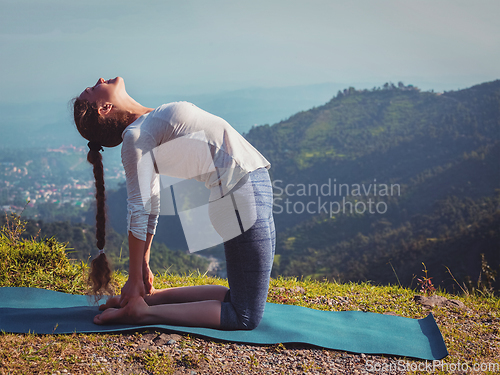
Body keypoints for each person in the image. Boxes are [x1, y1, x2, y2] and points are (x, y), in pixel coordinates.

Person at [73, 77, 275, 330]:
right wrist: (134, 277)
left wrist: (144, 266)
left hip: (249, 189)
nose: (100, 80)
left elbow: (152, 205)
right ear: (104, 108)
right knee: (244, 316)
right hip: (241, 196)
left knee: (239, 299)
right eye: (93, 88)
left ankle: (147, 302)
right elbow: (139, 208)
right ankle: (142, 314)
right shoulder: (136, 136)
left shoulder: (146, 126)